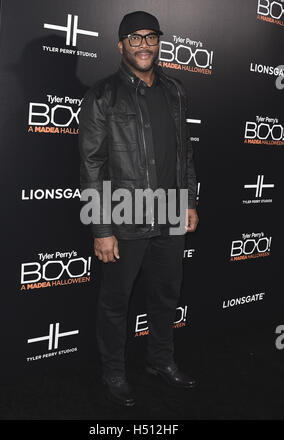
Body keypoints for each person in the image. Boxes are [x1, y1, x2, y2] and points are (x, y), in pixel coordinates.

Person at [78, 10, 199, 407]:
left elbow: (185, 154)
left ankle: (160, 362)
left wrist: (189, 202)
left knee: (166, 296)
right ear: (121, 45)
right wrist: (101, 228)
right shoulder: (103, 94)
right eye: (135, 38)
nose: (144, 45)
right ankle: (114, 373)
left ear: (158, 43)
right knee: (116, 303)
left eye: (151, 37)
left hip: (169, 214)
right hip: (124, 217)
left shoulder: (175, 90)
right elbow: (92, 163)